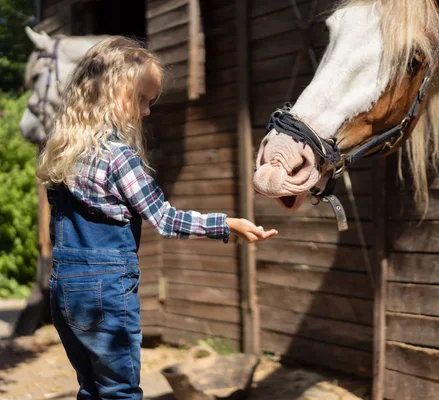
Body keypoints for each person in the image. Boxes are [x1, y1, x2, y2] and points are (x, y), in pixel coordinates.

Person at [36, 36, 277, 399]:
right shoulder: (118, 157)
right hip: (104, 292)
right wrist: (225, 224)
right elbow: (164, 218)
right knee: (120, 390)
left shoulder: (63, 152)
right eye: (141, 99)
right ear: (112, 92)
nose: (147, 111)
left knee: (91, 388)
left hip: (65, 287)